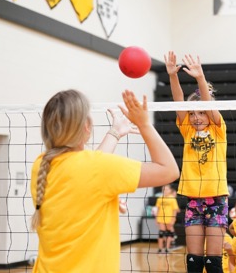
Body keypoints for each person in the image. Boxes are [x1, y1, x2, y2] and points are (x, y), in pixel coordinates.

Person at [30, 89, 179, 273]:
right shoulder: (99, 168)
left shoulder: (41, 164)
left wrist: (115, 132)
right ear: (86, 126)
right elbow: (169, 170)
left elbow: (87, 177)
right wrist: (144, 124)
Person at [165, 51, 229, 273]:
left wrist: (200, 78)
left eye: (201, 112)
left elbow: (210, 107)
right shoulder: (187, 130)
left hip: (216, 199)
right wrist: (173, 76)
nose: (196, 117)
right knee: (193, 262)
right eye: (192, 113)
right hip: (193, 200)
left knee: (213, 263)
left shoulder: (219, 130)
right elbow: (178, 102)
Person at [155, 183, 180, 253]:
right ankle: (160, 248)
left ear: (170, 190)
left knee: (169, 233)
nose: (165, 190)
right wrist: (156, 218)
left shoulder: (172, 199)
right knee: (161, 233)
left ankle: (167, 248)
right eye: (163, 189)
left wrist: (173, 219)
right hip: (161, 218)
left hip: (169, 218)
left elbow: (175, 210)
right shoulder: (159, 199)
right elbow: (158, 209)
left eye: (166, 189)